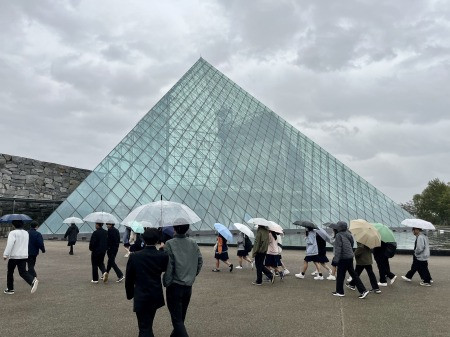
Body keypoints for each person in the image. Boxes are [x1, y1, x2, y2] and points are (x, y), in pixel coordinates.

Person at [126, 228, 169, 337]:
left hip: (140, 294)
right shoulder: (162, 256)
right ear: (157, 240)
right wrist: (162, 251)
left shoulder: (135, 256)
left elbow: (129, 278)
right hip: (155, 293)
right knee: (148, 323)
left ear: (143, 239)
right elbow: (164, 269)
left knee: (144, 326)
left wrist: (130, 294)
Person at [163, 221, 203, 337]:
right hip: (188, 286)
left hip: (174, 286)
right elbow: (200, 261)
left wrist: (167, 281)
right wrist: (192, 274)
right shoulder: (193, 243)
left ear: (174, 229)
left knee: (177, 320)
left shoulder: (169, 243)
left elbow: (169, 266)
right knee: (181, 318)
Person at [331, 221, 369, 299]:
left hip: (343, 258)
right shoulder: (348, 234)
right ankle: (363, 291)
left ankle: (340, 292)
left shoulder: (338, 235)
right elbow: (351, 243)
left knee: (340, 275)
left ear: (339, 227)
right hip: (349, 256)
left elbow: (338, 248)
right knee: (354, 274)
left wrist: (335, 260)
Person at [3, 220, 39, 294]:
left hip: (14, 256)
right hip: (23, 255)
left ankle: (10, 289)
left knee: (10, 272)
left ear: (14, 225)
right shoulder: (26, 233)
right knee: (22, 272)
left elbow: (10, 244)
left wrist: (5, 254)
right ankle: (32, 280)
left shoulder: (13, 233)